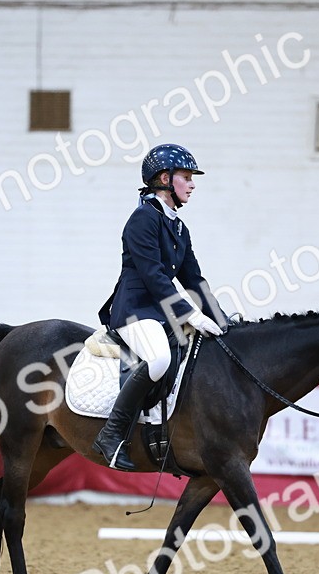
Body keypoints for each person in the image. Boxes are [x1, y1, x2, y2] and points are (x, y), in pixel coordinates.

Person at [92, 144, 228, 471]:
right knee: (159, 359)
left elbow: (194, 280)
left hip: (161, 313)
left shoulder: (179, 228)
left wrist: (222, 321)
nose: (192, 184)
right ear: (165, 179)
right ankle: (111, 435)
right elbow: (154, 277)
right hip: (135, 310)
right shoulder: (143, 219)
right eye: (186, 177)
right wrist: (191, 315)